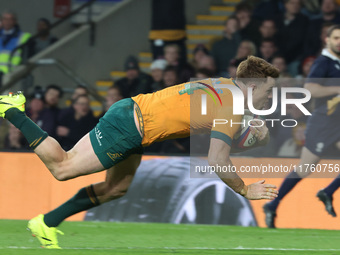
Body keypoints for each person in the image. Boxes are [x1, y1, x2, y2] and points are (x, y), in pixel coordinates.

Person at [0, 56, 279, 249]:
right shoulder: (231, 105)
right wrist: (244, 189)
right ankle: (12, 109)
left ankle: (46, 223)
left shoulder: (224, 86)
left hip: (135, 120)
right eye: (268, 91)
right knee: (62, 167)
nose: (270, 97)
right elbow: (217, 157)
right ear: (252, 86)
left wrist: (249, 137)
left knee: (116, 188)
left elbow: (209, 128)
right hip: (130, 126)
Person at [263, 25, 340, 228]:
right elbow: (311, 89)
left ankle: (328, 191)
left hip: (337, 123)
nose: (339, 41)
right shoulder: (323, 63)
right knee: (305, 168)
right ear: (327, 40)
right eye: (336, 37)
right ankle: (273, 204)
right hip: (324, 123)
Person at [0, 10, 31, 85]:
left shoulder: (24, 37)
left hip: (12, 75)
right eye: (5, 19)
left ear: (15, 21)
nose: (7, 22)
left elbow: (26, 58)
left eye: (10, 19)